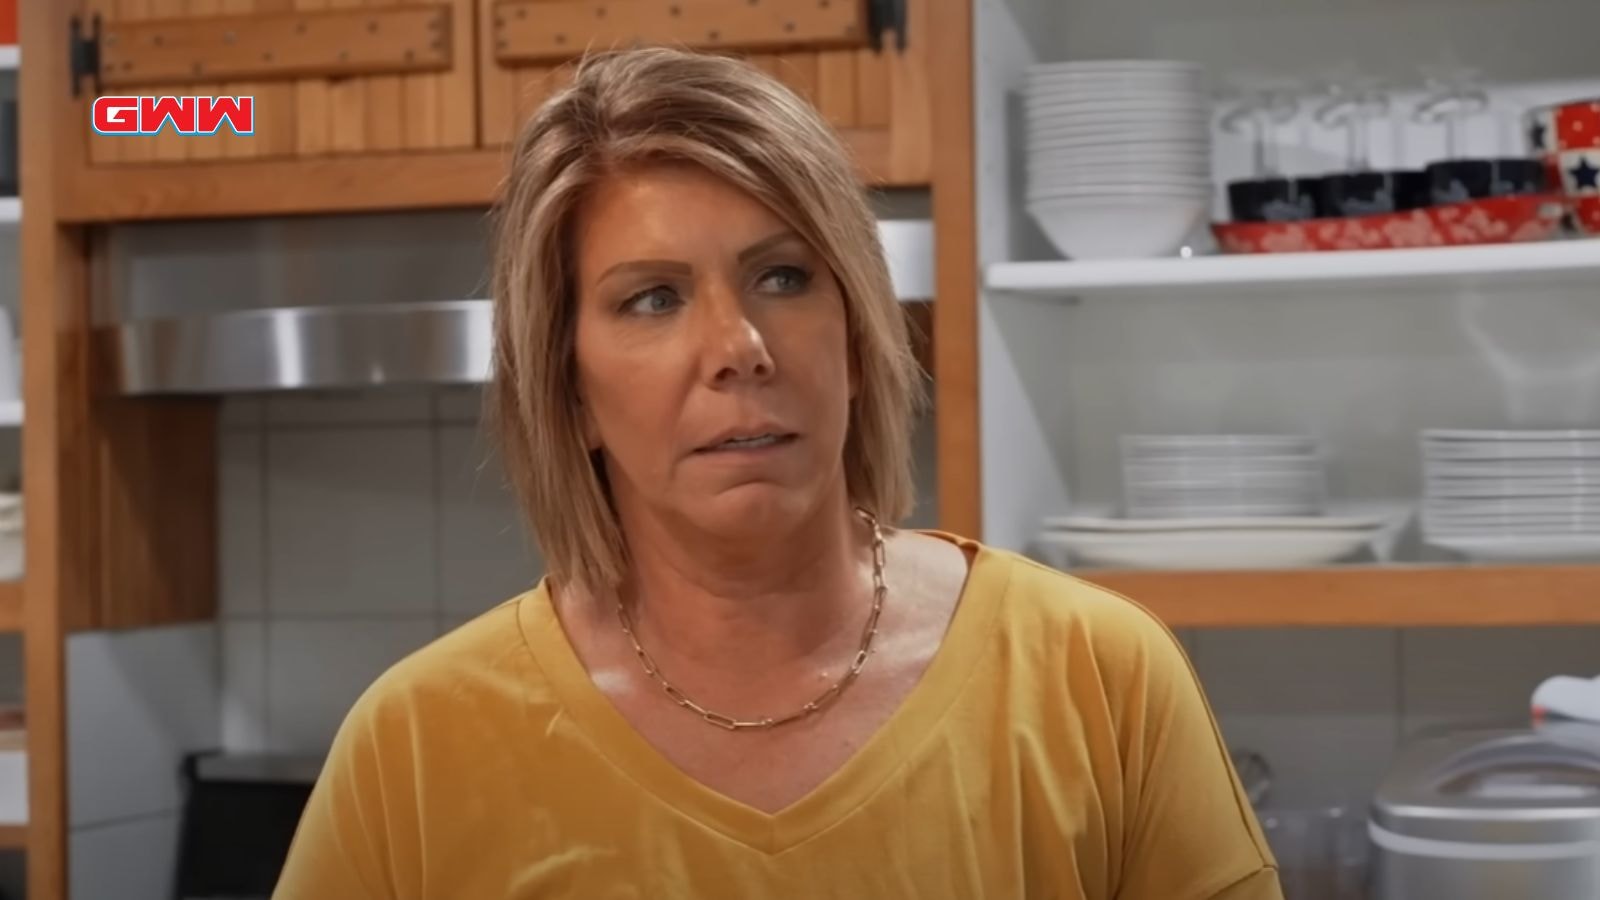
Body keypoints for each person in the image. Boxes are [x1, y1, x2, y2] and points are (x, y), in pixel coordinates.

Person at [273, 46, 1284, 900]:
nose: (738, 345)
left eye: (783, 277)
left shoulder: (1096, 680)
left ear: (853, 335)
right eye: (653, 299)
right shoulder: (414, 749)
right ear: (569, 389)